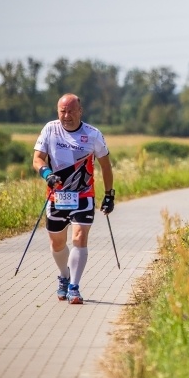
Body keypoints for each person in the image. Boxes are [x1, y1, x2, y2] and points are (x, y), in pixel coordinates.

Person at [32, 93, 115, 305]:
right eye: (62, 111)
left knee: (79, 237)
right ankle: (64, 275)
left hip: (83, 195)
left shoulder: (93, 134)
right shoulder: (50, 129)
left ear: (80, 111)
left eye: (71, 111)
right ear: (57, 111)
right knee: (57, 243)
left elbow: (106, 166)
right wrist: (46, 174)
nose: (66, 116)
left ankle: (74, 287)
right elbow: (37, 158)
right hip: (57, 195)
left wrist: (109, 195)